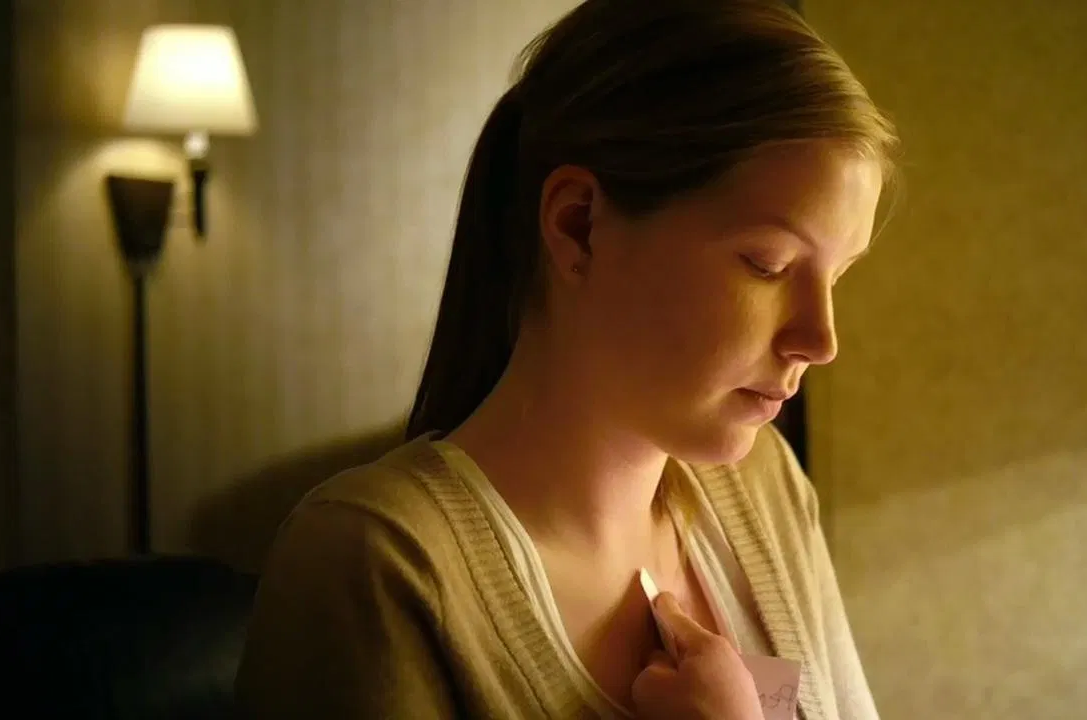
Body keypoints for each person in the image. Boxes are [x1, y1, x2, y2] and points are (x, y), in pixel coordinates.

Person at [235, 0, 897, 718]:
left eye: (836, 276)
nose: (820, 340)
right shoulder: (374, 564)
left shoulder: (766, 486)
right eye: (767, 264)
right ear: (578, 225)